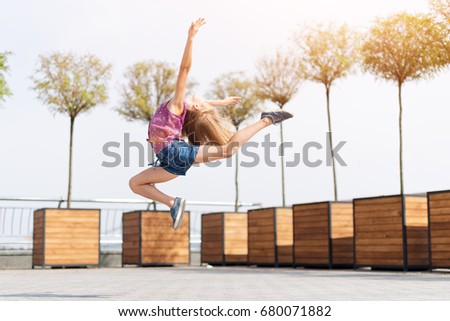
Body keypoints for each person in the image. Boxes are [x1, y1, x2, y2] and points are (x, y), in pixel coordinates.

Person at [129, 18, 293, 229]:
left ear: (194, 108)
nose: (202, 98)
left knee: (228, 150)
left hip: (174, 153)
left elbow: (184, 69)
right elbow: (202, 103)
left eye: (202, 102)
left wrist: (190, 38)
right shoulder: (185, 108)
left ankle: (267, 119)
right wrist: (220, 102)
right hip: (168, 160)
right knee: (135, 184)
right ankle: (173, 203)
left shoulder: (177, 106)